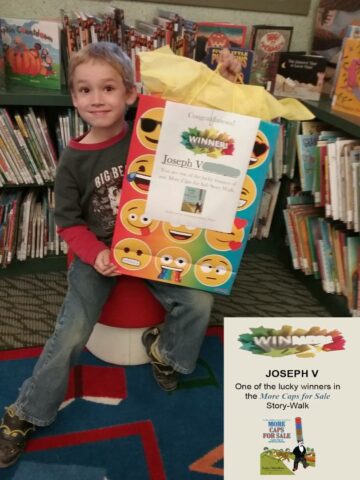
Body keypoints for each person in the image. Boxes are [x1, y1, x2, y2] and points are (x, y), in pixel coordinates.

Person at [0, 41, 241, 469]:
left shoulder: (151, 133)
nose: (97, 99)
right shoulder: (73, 159)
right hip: (99, 257)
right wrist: (95, 256)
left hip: (151, 247)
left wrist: (222, 78)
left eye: (108, 88)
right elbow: (68, 223)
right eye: (85, 90)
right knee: (71, 331)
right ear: (74, 97)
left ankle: (165, 353)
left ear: (131, 93)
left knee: (199, 300)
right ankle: (26, 411)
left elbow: (200, 118)